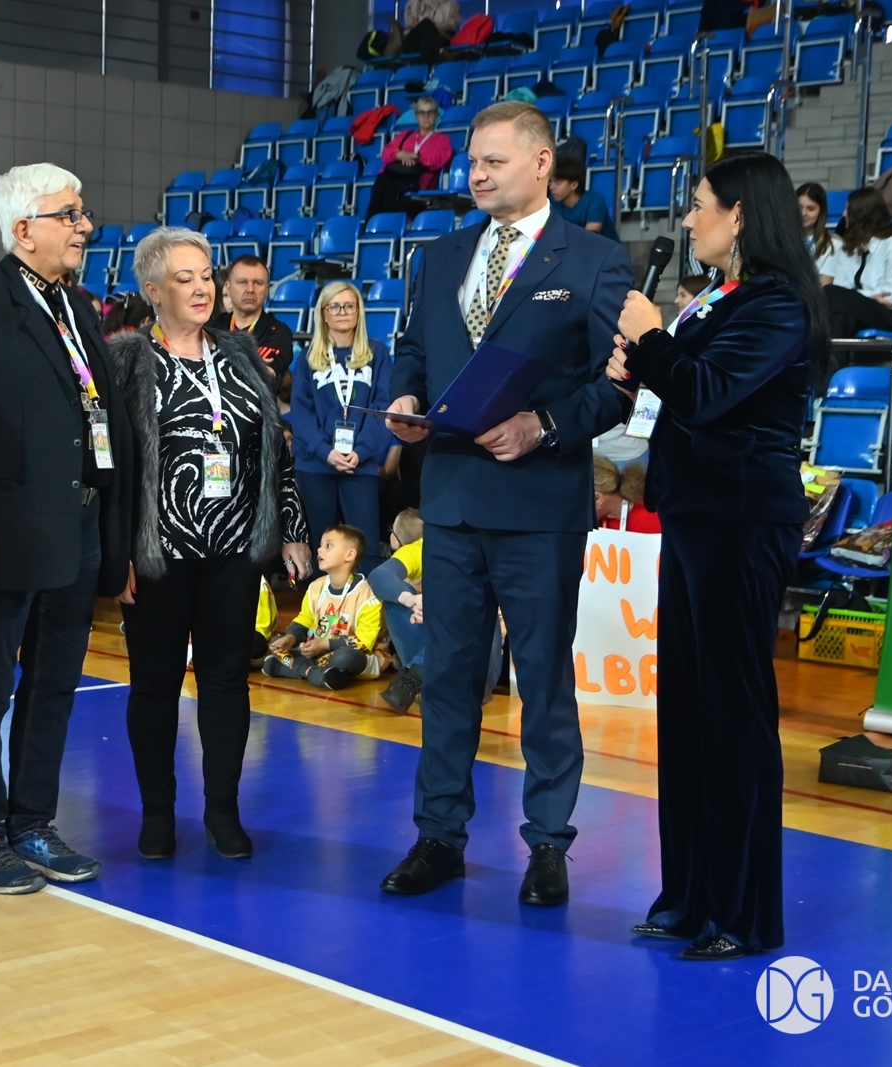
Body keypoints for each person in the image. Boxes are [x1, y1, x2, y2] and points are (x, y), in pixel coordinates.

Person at [382, 101, 633, 907]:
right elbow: (413, 348)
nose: (477, 174)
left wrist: (543, 425)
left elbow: (617, 386)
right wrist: (406, 395)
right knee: (448, 677)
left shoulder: (594, 260)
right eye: (472, 162)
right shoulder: (441, 254)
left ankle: (549, 842)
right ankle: (439, 835)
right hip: (453, 499)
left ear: (541, 162)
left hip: (539, 505)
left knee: (544, 683)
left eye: (493, 161)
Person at [606, 150, 829, 959]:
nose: (688, 218)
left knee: (733, 716)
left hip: (741, 522)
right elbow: (684, 385)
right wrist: (639, 364)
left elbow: (704, 392)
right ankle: (691, 893)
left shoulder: (778, 304)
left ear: (739, 215)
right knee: (690, 714)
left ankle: (742, 912)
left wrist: (651, 339)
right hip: (697, 518)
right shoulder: (721, 297)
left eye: (700, 203)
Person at [0, 162, 129, 895]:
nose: (84, 226)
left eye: (81, 212)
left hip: (77, 528)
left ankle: (33, 819)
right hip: (5, 530)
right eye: (68, 214)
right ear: (23, 229)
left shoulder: (78, 306)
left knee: (54, 686)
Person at [106, 227, 310, 862]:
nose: (201, 289)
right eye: (184, 278)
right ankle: (157, 813)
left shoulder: (244, 355)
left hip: (234, 552)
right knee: (155, 685)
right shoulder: (126, 360)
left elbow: (276, 452)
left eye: (205, 276)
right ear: (152, 290)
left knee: (226, 682)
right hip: (157, 555)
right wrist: (117, 552)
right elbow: (109, 466)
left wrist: (292, 529)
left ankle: (223, 810)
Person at [289, 280, 392, 575]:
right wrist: (325, 451)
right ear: (323, 313)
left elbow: (383, 407)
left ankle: (367, 602)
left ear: (359, 311)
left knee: (366, 547)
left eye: (349, 305)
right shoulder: (308, 358)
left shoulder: (377, 353)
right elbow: (302, 413)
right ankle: (323, 603)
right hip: (316, 465)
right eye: (334, 306)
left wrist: (361, 451)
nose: (343, 312)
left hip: (360, 463)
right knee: (323, 548)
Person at [263, 524, 386, 690]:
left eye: (328, 546)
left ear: (350, 554)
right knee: (277, 643)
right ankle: (318, 673)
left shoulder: (368, 595)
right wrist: (290, 638)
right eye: (321, 545)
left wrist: (324, 644)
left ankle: (300, 669)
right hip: (317, 653)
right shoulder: (316, 586)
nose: (319, 550)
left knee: (346, 657)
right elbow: (304, 620)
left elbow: (362, 643)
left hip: (356, 655)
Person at [822, 187, 892, 338]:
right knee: (842, 314)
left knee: (830, 293)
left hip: (889, 316)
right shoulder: (848, 249)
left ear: (861, 214)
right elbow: (841, 290)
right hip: (856, 312)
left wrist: (859, 297)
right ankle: (834, 354)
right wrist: (870, 297)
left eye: (848, 210)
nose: (844, 214)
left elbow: (891, 298)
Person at [210, 254, 295, 388]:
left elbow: (263, 377)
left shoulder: (278, 333)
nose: (250, 290)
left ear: (267, 290)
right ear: (228, 287)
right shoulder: (211, 328)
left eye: (258, 283)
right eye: (242, 282)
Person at [371, 508, 426, 711]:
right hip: (429, 644)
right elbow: (379, 576)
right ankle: (418, 676)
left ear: (395, 540)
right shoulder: (419, 549)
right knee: (394, 597)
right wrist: (412, 600)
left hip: (472, 657)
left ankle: (415, 675)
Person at [367, 97, 454, 219]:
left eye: (430, 112)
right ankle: (370, 224)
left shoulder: (443, 140)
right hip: (394, 172)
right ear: (416, 117)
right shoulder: (405, 135)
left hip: (416, 178)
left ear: (436, 116)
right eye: (422, 113)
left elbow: (439, 160)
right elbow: (386, 153)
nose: (426, 116)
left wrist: (416, 157)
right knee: (380, 184)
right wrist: (400, 154)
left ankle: (386, 225)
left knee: (395, 188)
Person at [549, 154, 619, 241]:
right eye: (550, 182)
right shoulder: (552, 203)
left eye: (558, 183)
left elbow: (590, 237)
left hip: (604, 249)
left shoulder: (594, 200)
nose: (551, 187)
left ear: (574, 185)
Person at [796, 182, 842, 283]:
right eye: (799, 207)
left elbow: (825, 286)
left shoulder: (833, 244)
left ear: (821, 212)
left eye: (810, 209)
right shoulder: (782, 240)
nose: (803, 213)